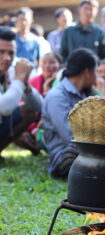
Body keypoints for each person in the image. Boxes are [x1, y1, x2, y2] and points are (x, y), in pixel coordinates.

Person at [42, 48, 99, 178]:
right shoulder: (56, 96)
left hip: (87, 150)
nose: (97, 77)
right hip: (66, 156)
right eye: (95, 71)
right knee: (79, 146)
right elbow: (71, 134)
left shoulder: (87, 94)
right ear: (87, 72)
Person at [0, 26, 42, 160]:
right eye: (1, 52)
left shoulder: (10, 71)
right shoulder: (14, 74)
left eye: (11, 53)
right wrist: (19, 79)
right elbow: (4, 108)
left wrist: (26, 84)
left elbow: (39, 107)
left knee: (28, 110)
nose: (6, 57)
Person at [15, 7, 41, 74]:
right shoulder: (12, 39)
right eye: (21, 19)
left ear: (31, 21)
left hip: (31, 74)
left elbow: (39, 62)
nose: (23, 22)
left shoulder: (36, 40)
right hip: (14, 73)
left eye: (25, 20)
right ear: (16, 21)